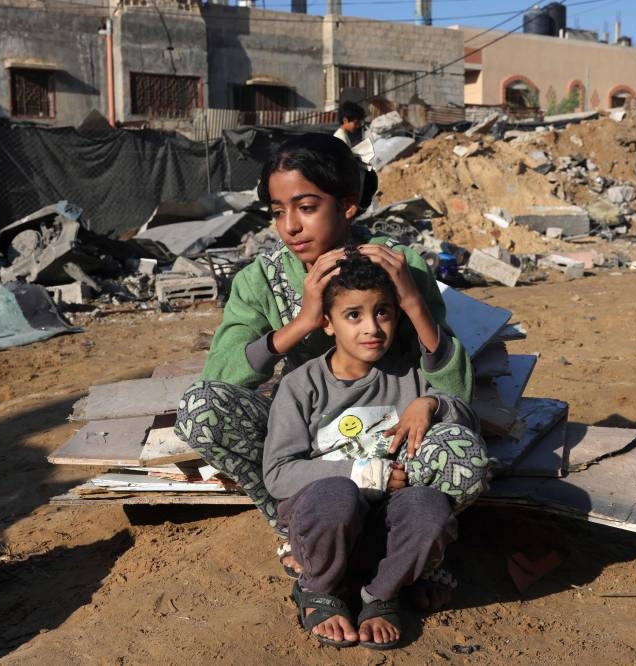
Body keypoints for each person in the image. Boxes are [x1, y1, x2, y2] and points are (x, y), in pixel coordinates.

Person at [174, 133, 478, 606]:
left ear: (348, 206)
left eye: (307, 207)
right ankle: (302, 529)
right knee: (200, 411)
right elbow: (219, 378)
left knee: (463, 455)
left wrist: (414, 303)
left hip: (394, 438)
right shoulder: (262, 280)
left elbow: (457, 393)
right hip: (306, 445)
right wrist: (301, 324)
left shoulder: (399, 267)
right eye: (278, 212)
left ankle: (407, 538)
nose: (291, 226)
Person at [263, 249, 491, 649]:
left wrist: (432, 403)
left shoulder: (408, 376)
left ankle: (382, 593)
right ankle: (319, 588)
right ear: (328, 324)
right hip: (325, 521)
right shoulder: (302, 385)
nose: (372, 327)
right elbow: (279, 473)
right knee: (336, 494)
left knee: (428, 506)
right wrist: (364, 473)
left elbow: (466, 423)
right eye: (354, 315)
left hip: (388, 522)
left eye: (383, 312)